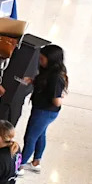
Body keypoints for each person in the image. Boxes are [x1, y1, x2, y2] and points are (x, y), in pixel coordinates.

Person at [19, 44, 68, 174]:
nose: (40, 62)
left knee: (30, 138)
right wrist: (34, 81)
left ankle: (20, 166)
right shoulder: (49, 72)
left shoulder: (56, 77)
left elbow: (57, 101)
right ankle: (36, 162)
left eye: (42, 59)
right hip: (41, 110)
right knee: (40, 135)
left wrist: (60, 96)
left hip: (44, 112)